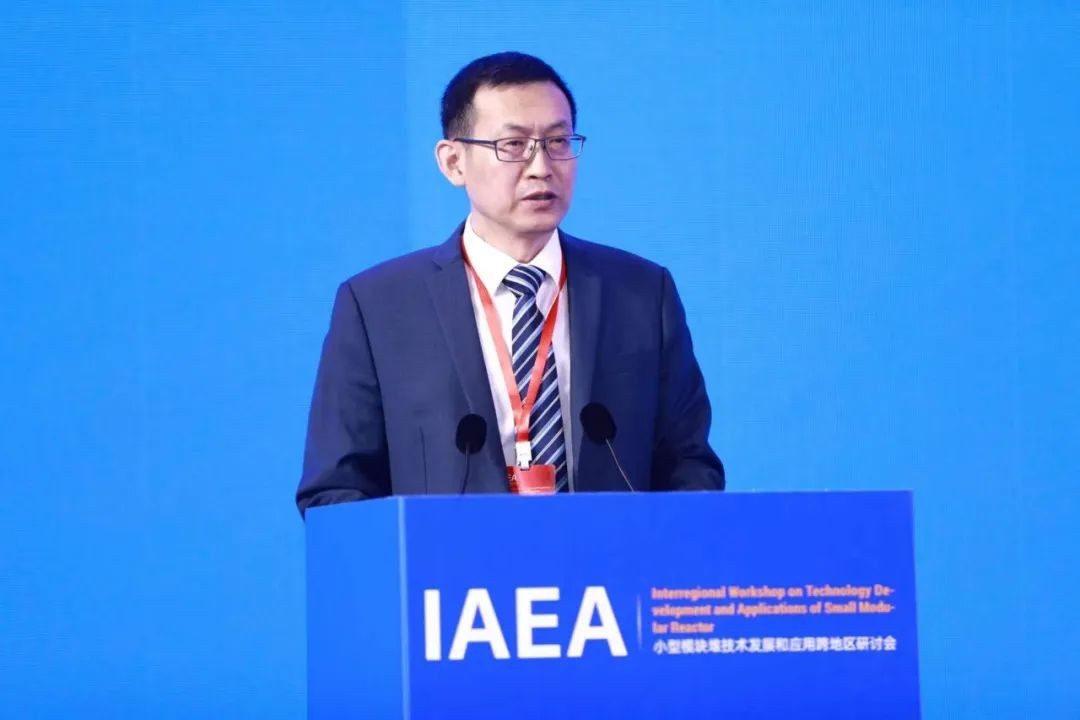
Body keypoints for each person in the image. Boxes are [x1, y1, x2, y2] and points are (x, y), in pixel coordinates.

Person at [296, 51, 723, 515]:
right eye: (513, 145)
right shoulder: (378, 307)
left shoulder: (641, 293)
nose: (541, 167)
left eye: (558, 142)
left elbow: (689, 465)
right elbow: (335, 492)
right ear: (453, 162)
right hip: (450, 562)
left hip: (610, 560)